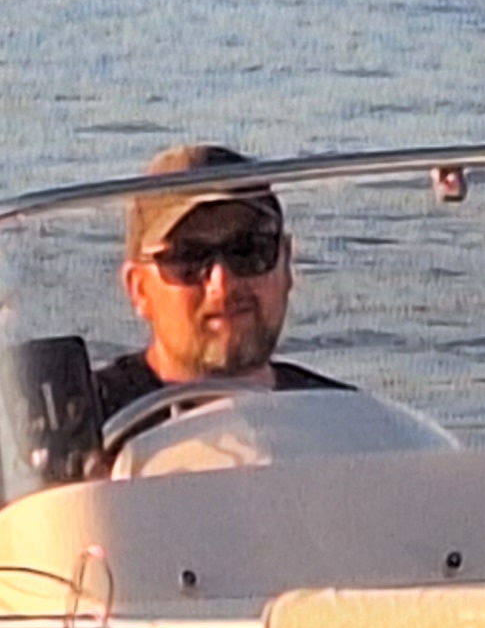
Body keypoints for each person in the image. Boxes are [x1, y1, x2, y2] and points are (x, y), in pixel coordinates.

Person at [93, 144, 347, 424]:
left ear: (285, 263)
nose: (222, 284)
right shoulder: (82, 429)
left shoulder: (344, 419)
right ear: (139, 289)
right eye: (188, 257)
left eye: (248, 250)